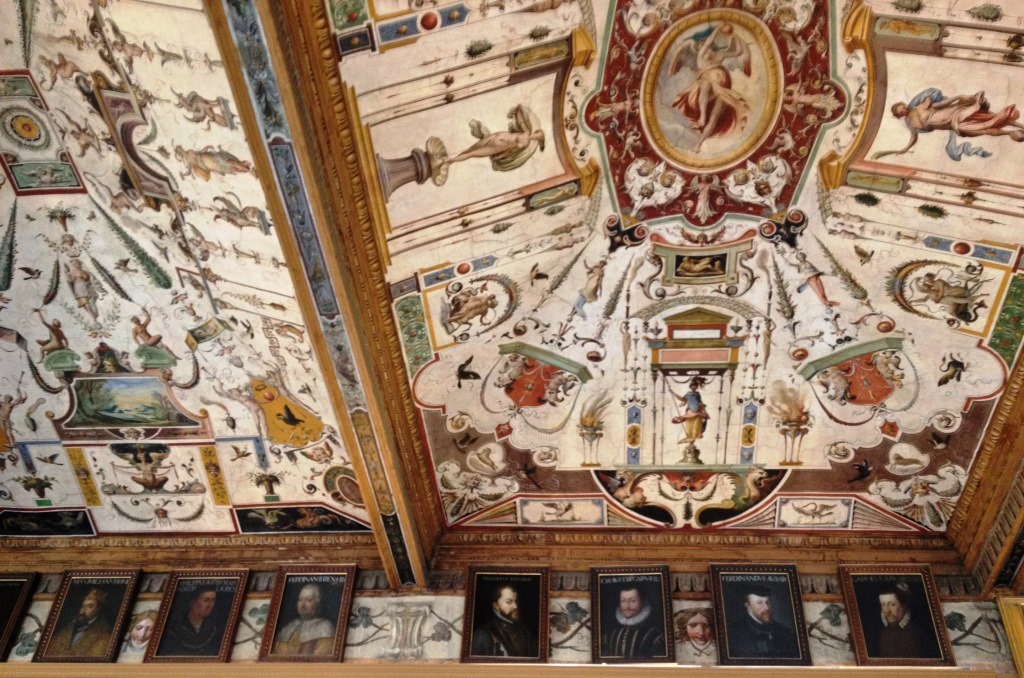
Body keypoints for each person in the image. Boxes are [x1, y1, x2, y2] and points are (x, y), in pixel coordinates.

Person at [671, 22, 752, 152]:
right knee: (706, 83)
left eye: (707, 46)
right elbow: (709, 41)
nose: (705, 47)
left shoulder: (720, 55)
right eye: (703, 45)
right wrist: (717, 30)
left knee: (714, 117)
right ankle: (702, 117)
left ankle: (698, 144)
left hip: (722, 90)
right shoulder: (701, 59)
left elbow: (738, 51)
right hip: (705, 89)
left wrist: (736, 35)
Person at [879, 90, 1024, 161]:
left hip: (955, 112)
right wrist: (904, 149)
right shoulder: (912, 125)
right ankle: (1008, 133)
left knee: (990, 117)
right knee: (984, 129)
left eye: (901, 107)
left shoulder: (919, 107)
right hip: (954, 125)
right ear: (899, 115)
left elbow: (941, 104)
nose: (903, 110)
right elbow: (913, 138)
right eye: (899, 111)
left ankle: (1019, 125)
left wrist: (958, 97)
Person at [726, 585, 799, 658]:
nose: (766, 607)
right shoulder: (734, 633)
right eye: (759, 603)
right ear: (747, 605)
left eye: (767, 602)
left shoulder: (785, 632)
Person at [870, 584, 940, 658]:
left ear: (903, 606)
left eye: (892, 604)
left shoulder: (917, 633)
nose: (887, 611)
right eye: (883, 605)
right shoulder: (882, 634)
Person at [471, 584, 537, 657]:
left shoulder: (525, 633)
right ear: (496, 605)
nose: (515, 606)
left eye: (516, 601)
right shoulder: (483, 634)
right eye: (508, 602)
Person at [271, 583, 337, 656]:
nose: (302, 605)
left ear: (318, 603)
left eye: (309, 600)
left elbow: (321, 656)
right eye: (300, 600)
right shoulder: (291, 625)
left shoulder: (326, 627)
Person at [601, 586, 666, 659]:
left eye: (633, 601)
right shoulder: (611, 635)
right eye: (623, 601)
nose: (627, 606)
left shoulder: (655, 636)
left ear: (642, 602)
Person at [48, 588, 113, 657]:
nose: (82, 611)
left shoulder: (105, 633)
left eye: (90, 607)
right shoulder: (69, 628)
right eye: (83, 606)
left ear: (98, 609)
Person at [158, 587, 221, 656]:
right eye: (206, 600)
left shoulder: (213, 629)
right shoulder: (174, 629)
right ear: (193, 603)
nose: (210, 605)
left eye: (213, 600)